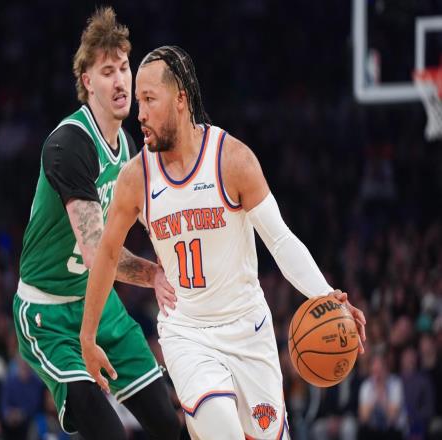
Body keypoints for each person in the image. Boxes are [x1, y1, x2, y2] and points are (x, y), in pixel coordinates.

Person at [81, 45, 367, 439]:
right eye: (138, 101)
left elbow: (280, 240)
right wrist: (87, 336)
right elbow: (107, 254)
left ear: (180, 99)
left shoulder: (232, 160)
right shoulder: (136, 178)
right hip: (187, 333)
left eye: (149, 99)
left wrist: (326, 295)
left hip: (247, 327)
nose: (140, 113)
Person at [12, 9, 180, 440]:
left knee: (168, 424)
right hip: (48, 314)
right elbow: (95, 251)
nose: (120, 81)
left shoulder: (126, 145)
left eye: (124, 67)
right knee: (109, 433)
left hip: (98, 303)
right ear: (88, 82)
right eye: (108, 72)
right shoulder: (69, 144)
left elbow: (153, 218)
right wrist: (153, 274)